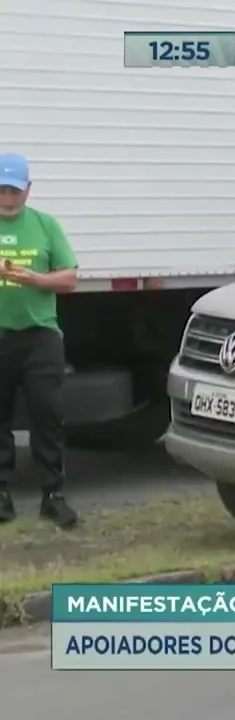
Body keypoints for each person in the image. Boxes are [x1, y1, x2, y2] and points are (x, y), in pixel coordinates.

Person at [0, 153, 79, 528]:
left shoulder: (46, 225)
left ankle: (53, 495)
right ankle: (2, 495)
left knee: (47, 415)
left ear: (28, 190)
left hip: (41, 336)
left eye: (14, 190)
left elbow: (69, 279)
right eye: (2, 190)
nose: (8, 198)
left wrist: (34, 279)